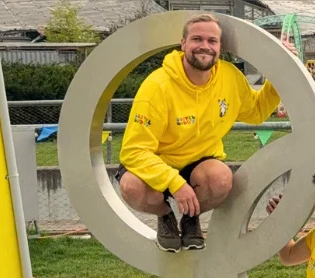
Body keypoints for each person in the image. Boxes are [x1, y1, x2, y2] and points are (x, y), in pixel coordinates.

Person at [116, 13, 296, 253]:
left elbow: (256, 111)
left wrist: (280, 71)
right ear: (183, 44)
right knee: (131, 187)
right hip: (157, 164)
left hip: (199, 165)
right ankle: (165, 214)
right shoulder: (157, 86)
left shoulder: (229, 76)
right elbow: (134, 151)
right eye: (197, 39)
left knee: (221, 179)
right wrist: (175, 184)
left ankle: (191, 217)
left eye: (212, 41)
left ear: (220, 47)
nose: (205, 46)